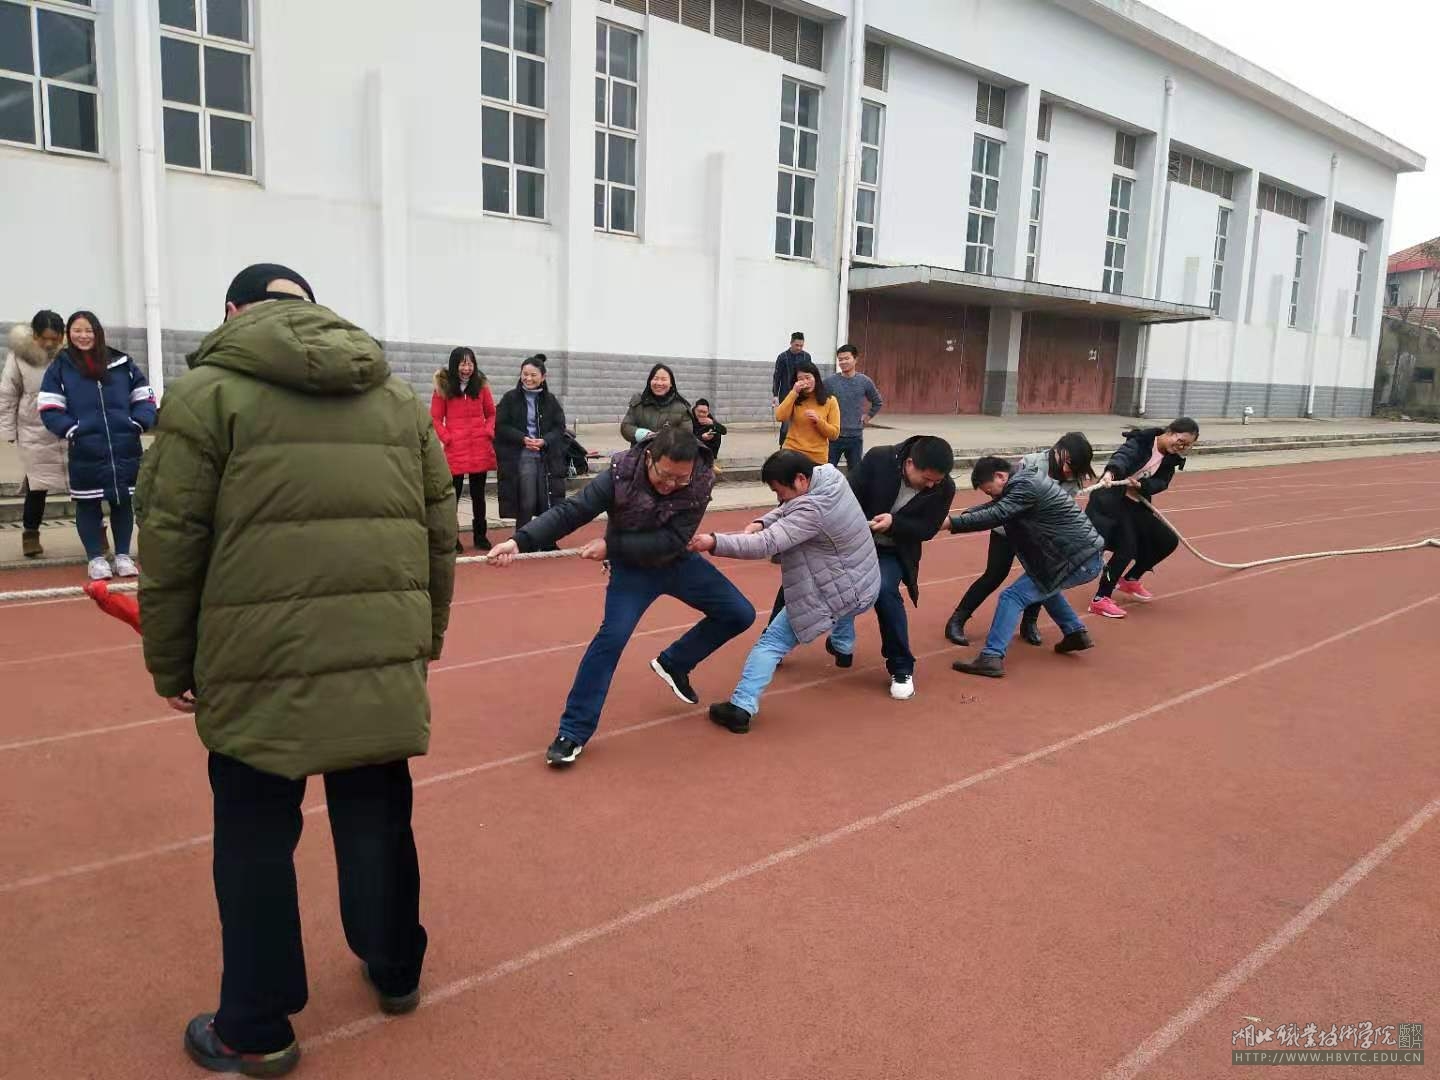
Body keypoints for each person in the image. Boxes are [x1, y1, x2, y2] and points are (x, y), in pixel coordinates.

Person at [134, 263, 457, 1077]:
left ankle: (257, 1026)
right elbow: (439, 531)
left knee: (254, 839)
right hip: (378, 650)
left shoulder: (206, 396)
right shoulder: (395, 399)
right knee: (379, 819)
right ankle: (395, 969)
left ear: (233, 311)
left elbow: (171, 542)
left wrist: (170, 660)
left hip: (256, 658)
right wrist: (423, 641)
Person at [487, 426, 754, 767]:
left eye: (680, 479)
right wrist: (519, 541)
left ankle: (675, 662)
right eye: (665, 475)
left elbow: (672, 540)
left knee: (739, 613)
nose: (671, 485)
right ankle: (573, 731)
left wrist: (611, 546)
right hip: (632, 571)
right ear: (649, 458)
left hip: (678, 561)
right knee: (610, 640)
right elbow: (572, 511)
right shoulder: (619, 472)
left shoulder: (700, 479)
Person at [693, 451, 880, 733]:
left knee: (772, 643)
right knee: (846, 605)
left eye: (779, 491)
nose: (779, 498)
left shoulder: (811, 511)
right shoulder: (830, 476)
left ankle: (741, 707)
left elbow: (766, 544)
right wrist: (763, 521)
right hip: (866, 580)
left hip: (840, 589)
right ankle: (843, 647)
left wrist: (713, 542)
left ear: (801, 479)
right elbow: (789, 508)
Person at [946, 456, 1104, 678]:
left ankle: (991, 657)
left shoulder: (1025, 486)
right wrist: (961, 517)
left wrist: (951, 523)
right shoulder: (1023, 481)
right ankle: (1075, 632)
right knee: (1044, 583)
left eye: (990, 491)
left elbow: (998, 513)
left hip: (1076, 558)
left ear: (1000, 476)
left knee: (1012, 597)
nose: (991, 496)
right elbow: (995, 507)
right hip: (1081, 556)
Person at [835, 436, 955, 700]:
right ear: (909, 463)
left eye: (936, 481)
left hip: (893, 550)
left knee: (884, 590)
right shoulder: (880, 459)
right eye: (927, 479)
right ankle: (771, 643)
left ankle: (901, 667)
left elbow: (928, 528)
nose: (931, 485)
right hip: (854, 542)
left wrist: (894, 523)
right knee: (805, 573)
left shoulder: (944, 487)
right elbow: (847, 496)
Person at [39, 310, 156, 581]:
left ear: (98, 333)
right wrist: (73, 430)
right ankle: (96, 558)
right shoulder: (61, 366)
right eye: (77, 330)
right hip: (85, 448)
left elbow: (144, 396)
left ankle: (124, 555)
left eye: (89, 330)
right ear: (69, 334)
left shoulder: (122, 363)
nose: (83, 336)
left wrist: (137, 423)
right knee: (87, 504)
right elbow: (49, 406)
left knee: (123, 501)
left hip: (125, 447)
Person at [1086, 418, 1200, 618]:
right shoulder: (1142, 441)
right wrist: (1111, 473)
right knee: (1127, 546)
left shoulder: (1171, 459)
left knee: (1167, 540)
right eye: (1180, 441)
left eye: (1186, 446)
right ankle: (1100, 599)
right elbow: (1123, 457)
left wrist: (1142, 486)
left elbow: (1162, 482)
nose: (1181, 447)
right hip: (1112, 502)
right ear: (1170, 432)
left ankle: (1130, 579)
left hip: (1136, 504)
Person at [1, 311, 66, 558]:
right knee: (36, 484)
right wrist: (7, 429)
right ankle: (30, 534)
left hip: (67, 426)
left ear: (62, 336)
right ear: (34, 334)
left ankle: (97, 534)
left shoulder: (70, 355)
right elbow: (8, 393)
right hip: (33, 428)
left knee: (84, 485)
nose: (49, 343)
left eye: (54, 338)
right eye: (43, 338)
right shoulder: (19, 356)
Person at [494, 354, 568, 535]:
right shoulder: (510, 398)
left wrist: (545, 440)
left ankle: (548, 539)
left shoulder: (551, 400)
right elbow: (501, 426)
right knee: (527, 501)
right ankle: (522, 540)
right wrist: (522, 438)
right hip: (523, 455)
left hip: (547, 456)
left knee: (548, 501)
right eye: (525, 374)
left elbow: (559, 428)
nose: (528, 378)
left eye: (533, 375)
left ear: (543, 377)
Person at [431, 346, 496, 552]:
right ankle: (453, 538)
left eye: (470, 364)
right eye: (462, 364)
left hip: (479, 447)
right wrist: (447, 438)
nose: (467, 368)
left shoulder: (481, 386)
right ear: (454, 365)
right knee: (454, 497)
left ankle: (480, 536)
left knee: (479, 495)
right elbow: (435, 418)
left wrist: (487, 431)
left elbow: (492, 413)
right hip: (455, 449)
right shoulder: (444, 388)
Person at [823, 343, 884, 471]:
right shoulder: (830, 382)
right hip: (834, 436)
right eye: (840, 359)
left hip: (855, 437)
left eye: (847, 358)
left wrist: (868, 416)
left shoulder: (864, 381)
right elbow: (820, 402)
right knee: (827, 471)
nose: (843, 362)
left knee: (856, 473)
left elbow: (877, 401)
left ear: (855, 359)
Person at [775, 359, 840, 465]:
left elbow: (834, 434)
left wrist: (819, 421)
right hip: (792, 453)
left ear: (816, 378)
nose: (805, 382)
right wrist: (794, 392)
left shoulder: (830, 400)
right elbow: (779, 417)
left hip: (817, 457)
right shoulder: (794, 397)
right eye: (800, 379)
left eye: (808, 377)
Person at [620, 363, 691, 444]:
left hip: (668, 451)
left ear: (671, 383)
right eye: (655, 379)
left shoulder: (682, 407)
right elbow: (626, 426)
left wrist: (663, 439)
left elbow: (686, 436)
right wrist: (644, 435)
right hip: (640, 450)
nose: (659, 383)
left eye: (664, 379)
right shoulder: (639, 401)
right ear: (650, 381)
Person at [772, 331, 810, 445]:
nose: (799, 348)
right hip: (786, 395)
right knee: (786, 425)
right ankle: (782, 447)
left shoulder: (806, 357)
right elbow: (777, 377)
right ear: (791, 343)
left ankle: (799, 447)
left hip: (802, 395)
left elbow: (810, 375)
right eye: (796, 345)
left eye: (801, 345)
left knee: (802, 423)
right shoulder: (782, 357)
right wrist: (775, 395)